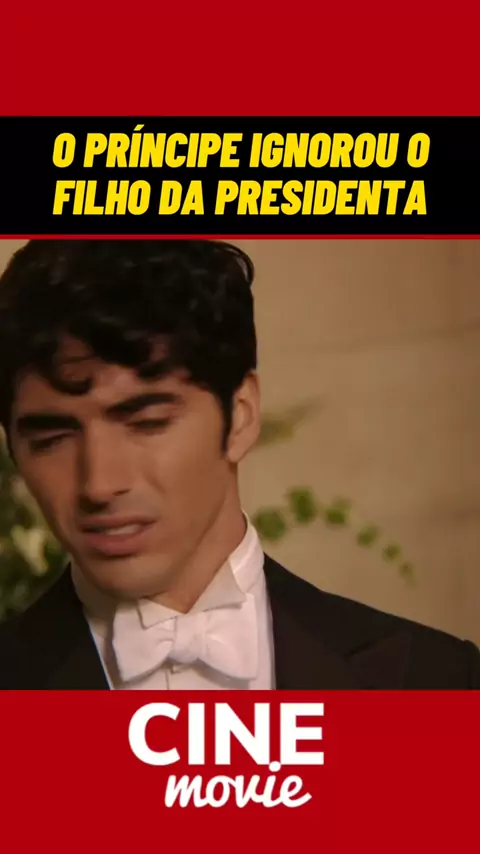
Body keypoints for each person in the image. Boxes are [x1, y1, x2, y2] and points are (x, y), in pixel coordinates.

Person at [0, 238, 478, 690]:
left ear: (241, 417)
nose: (99, 484)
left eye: (147, 422)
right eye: (51, 439)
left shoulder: (438, 681)